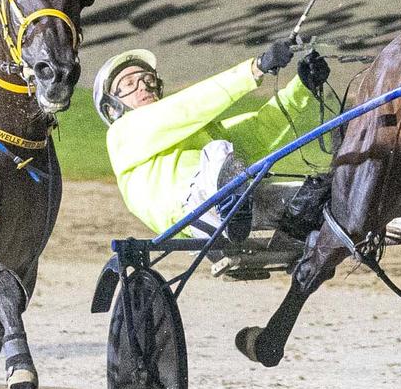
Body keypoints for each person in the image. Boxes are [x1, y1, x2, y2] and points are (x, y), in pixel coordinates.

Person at [96, 41, 331, 241]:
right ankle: (231, 205)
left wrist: (303, 86)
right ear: (111, 108)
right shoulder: (122, 134)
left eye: (147, 78)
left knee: (318, 195)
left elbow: (260, 130)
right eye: (129, 84)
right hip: (192, 213)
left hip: (236, 202)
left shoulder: (195, 131)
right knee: (220, 150)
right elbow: (188, 107)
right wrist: (255, 69)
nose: (143, 85)